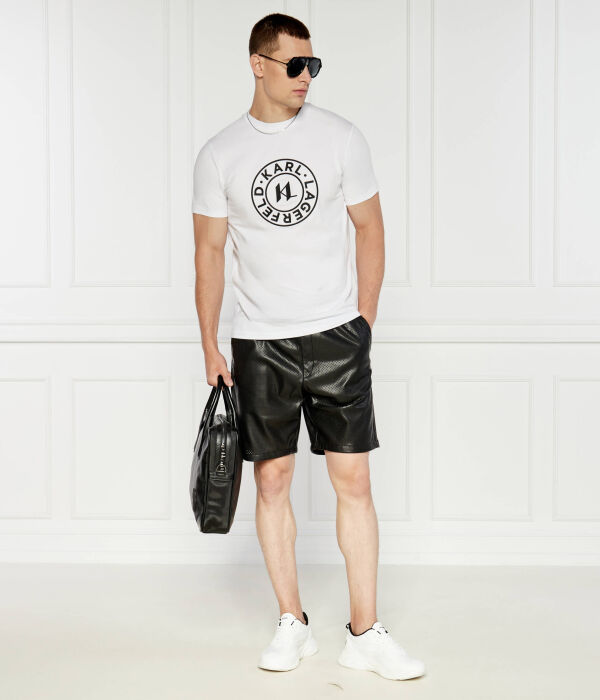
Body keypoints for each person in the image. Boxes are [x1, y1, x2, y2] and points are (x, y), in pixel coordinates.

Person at [192, 12, 425, 682]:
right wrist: (209, 343)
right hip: (258, 341)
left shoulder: (341, 138)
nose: (306, 78)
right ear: (258, 64)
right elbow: (209, 253)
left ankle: (365, 631)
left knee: (354, 480)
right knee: (272, 480)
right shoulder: (219, 154)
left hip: (335, 333)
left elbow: (371, 228)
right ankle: (291, 621)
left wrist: (363, 322)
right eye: (295, 65)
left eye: (313, 66)